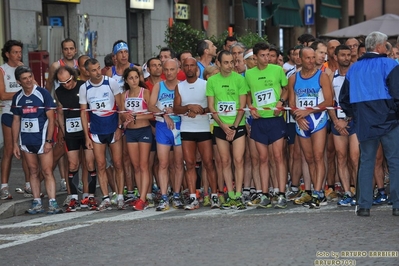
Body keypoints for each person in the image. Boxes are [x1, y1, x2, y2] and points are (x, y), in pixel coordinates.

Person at [339, 31, 399, 217]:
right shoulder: (390, 64)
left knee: (366, 162)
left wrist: (353, 115)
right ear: (380, 46)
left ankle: (364, 205)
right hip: (389, 121)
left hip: (365, 122)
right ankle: (397, 205)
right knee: (395, 162)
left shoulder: (354, 68)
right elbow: (397, 94)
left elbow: (344, 99)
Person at [11, 66, 62, 214]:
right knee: (33, 171)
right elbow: (16, 121)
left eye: (30, 77)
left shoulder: (43, 94)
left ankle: (52, 202)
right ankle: (37, 202)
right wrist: (15, 143)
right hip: (26, 140)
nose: (28, 81)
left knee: (47, 171)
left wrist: (48, 141)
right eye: (24, 79)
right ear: (19, 81)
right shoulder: (17, 97)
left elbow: (51, 119)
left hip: (42, 140)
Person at [288, 47, 333, 209]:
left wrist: (309, 111)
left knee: (318, 156)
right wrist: (297, 117)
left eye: (313, 57)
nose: (311, 61)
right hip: (301, 122)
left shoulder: (322, 76)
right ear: (300, 59)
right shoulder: (293, 78)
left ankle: (319, 192)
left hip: (318, 119)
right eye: (307, 58)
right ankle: (315, 190)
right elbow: (291, 103)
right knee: (308, 159)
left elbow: (329, 101)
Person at [245, 42, 289, 209]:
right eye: (262, 55)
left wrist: (281, 102)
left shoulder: (277, 70)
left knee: (278, 157)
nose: (266, 58)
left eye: (268, 55)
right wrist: (251, 106)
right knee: (262, 159)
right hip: (259, 120)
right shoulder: (249, 74)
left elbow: (286, 89)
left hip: (275, 118)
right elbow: (248, 93)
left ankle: (281, 194)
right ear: (255, 57)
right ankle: (264, 194)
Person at [174, 57, 220, 210]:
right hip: (187, 129)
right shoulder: (179, 87)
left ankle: (214, 195)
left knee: (208, 163)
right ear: (183, 68)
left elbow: (212, 106)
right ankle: (193, 197)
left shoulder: (206, 84)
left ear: (196, 68)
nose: (189, 68)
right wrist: (188, 107)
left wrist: (199, 110)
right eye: (186, 66)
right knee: (190, 164)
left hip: (204, 128)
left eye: (192, 65)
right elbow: (176, 108)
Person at [79, 58, 125, 211]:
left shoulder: (111, 82)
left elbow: (121, 106)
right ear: (87, 72)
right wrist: (87, 137)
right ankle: (106, 197)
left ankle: (120, 196)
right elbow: (83, 114)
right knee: (101, 165)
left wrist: (119, 127)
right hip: (97, 131)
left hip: (113, 128)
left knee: (118, 163)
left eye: (99, 68)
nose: (98, 72)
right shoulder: (84, 88)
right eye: (94, 70)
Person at [206, 50, 248, 209]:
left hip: (237, 124)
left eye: (232, 62)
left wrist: (234, 127)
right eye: (226, 62)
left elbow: (242, 106)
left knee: (238, 160)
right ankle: (229, 194)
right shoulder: (212, 81)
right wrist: (224, 127)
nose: (230, 65)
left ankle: (238, 193)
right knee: (224, 161)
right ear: (218, 63)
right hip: (220, 126)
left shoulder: (239, 79)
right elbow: (211, 106)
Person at [54, 65, 98, 212]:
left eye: (68, 81)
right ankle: (73, 197)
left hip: (87, 129)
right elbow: (60, 113)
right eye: (62, 83)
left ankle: (90, 196)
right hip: (71, 131)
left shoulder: (83, 86)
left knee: (90, 163)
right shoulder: (59, 92)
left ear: (73, 76)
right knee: (73, 164)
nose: (66, 85)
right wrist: (62, 130)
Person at [148, 59, 185, 211]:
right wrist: (165, 115)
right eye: (166, 70)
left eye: (172, 69)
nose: (169, 73)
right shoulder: (159, 86)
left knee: (178, 163)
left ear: (177, 70)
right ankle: (164, 196)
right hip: (163, 126)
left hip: (180, 126)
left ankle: (176, 194)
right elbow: (151, 104)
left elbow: (188, 105)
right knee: (163, 163)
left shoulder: (182, 86)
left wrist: (176, 110)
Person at [327, 45, 359, 207]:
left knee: (355, 158)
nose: (346, 58)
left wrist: (348, 118)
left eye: (349, 55)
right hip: (337, 122)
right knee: (341, 157)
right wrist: (336, 121)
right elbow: (329, 101)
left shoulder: (356, 74)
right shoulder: (331, 76)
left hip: (354, 121)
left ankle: (359, 192)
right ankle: (347, 192)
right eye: (343, 55)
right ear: (336, 57)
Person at [0, 40, 30, 199]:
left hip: (25, 113)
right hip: (9, 112)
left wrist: (24, 70)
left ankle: (29, 185)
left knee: (26, 150)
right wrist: (20, 94)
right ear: (7, 54)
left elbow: (33, 88)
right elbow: (2, 95)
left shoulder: (23, 69)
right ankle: (4, 186)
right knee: (9, 149)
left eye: (20, 52)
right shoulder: (2, 70)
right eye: (15, 52)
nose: (18, 55)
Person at [120, 67, 153, 211]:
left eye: (136, 77)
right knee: (136, 166)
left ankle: (143, 198)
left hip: (144, 130)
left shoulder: (145, 92)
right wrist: (124, 117)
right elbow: (121, 113)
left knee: (144, 165)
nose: (134, 80)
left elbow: (152, 114)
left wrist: (136, 116)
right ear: (126, 80)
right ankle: (142, 196)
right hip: (131, 133)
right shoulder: (123, 95)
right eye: (130, 78)